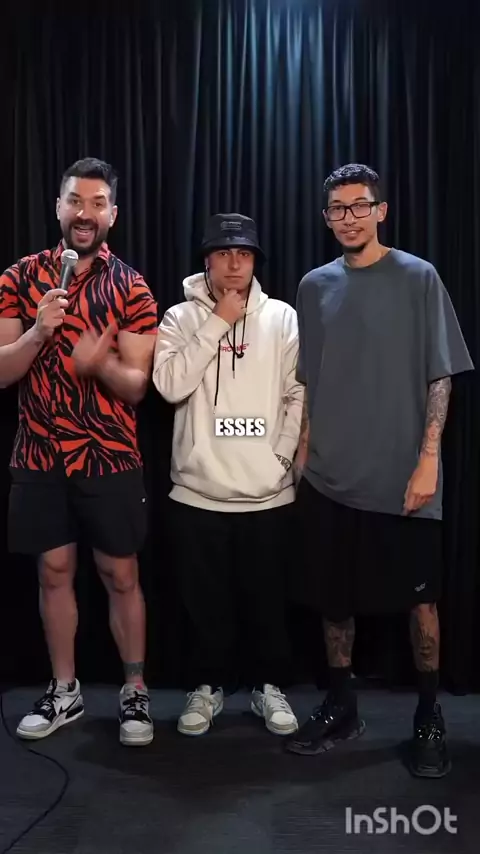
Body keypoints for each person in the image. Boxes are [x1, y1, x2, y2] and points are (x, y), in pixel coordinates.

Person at [285, 163, 474, 777]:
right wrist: (303, 450)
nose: (350, 218)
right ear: (326, 218)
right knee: (333, 602)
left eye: (360, 206)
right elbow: (310, 378)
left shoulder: (419, 277)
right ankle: (343, 707)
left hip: (402, 476)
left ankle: (428, 715)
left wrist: (429, 458)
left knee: (422, 604)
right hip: (329, 475)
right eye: (338, 209)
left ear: (381, 211)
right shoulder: (313, 286)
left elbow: (440, 373)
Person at [0, 157, 158, 746]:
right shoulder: (20, 277)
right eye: (75, 201)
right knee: (53, 570)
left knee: (120, 573)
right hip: (39, 455)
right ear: (58, 207)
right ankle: (64, 690)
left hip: (109, 456)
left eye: (96, 203)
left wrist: (101, 366)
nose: (84, 213)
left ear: (112, 214)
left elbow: (138, 386)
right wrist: (38, 332)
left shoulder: (133, 287)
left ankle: (134, 690)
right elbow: (2, 370)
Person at [153, 213, 303, 737]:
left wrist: (280, 459)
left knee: (267, 602)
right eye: (223, 253)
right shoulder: (178, 318)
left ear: (256, 260)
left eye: (244, 253)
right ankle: (206, 687)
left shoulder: (282, 317)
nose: (234, 263)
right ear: (206, 260)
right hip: (198, 490)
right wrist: (217, 320)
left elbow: (297, 393)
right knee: (203, 605)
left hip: (267, 493)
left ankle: (268, 686)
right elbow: (170, 386)